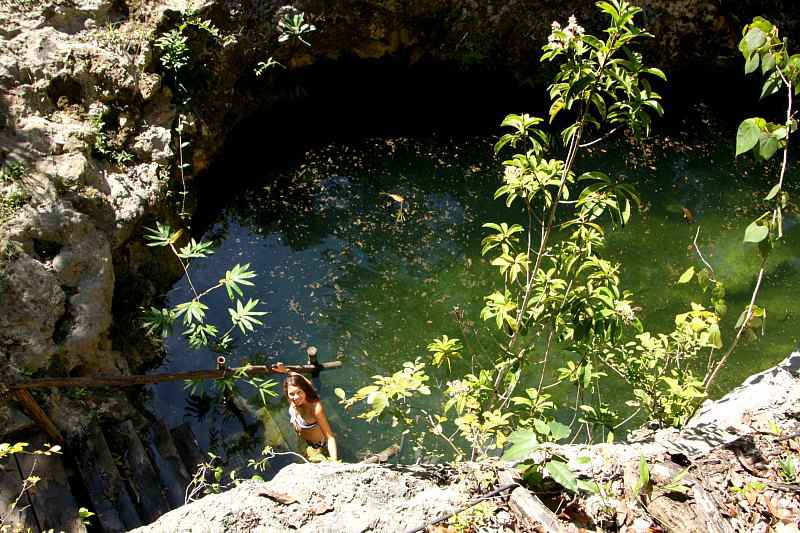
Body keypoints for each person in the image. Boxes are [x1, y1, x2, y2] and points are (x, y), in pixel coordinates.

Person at [271, 362, 338, 461]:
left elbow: (330, 437)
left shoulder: (315, 409)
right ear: (287, 393)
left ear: (305, 390)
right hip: (303, 438)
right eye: (291, 393)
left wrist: (334, 462)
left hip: (318, 445)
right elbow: (301, 379)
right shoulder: (292, 399)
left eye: (299, 392)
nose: (296, 397)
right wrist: (286, 370)